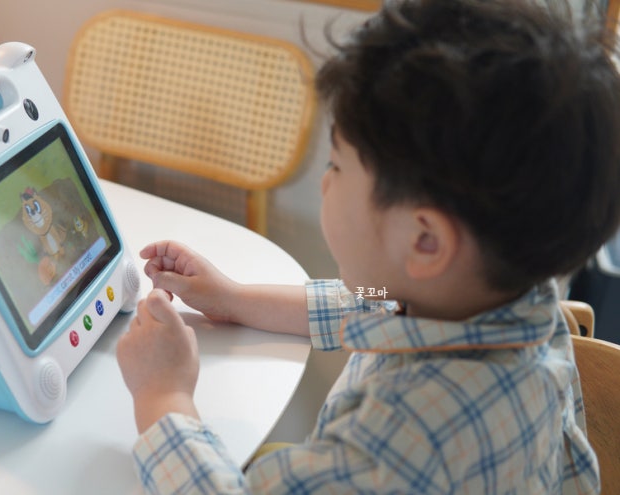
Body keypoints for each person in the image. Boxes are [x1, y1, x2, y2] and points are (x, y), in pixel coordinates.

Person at [116, 0, 620, 492]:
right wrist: (233, 298)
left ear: (426, 241)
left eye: (336, 165)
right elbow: (373, 303)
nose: (325, 183)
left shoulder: (400, 444)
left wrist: (164, 395)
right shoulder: (510, 298)